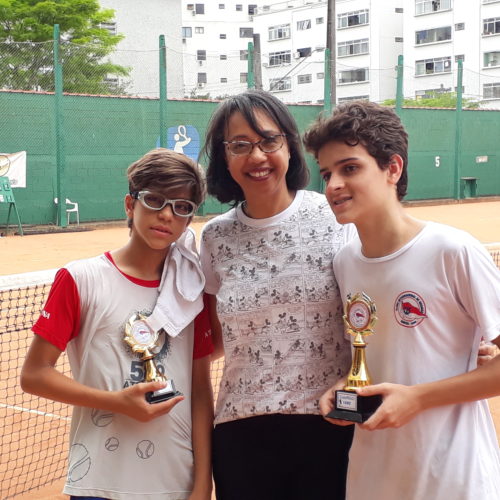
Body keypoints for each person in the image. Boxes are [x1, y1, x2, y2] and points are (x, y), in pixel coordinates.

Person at [302, 101, 500, 499]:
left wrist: (416, 399)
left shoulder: (452, 251)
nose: (333, 185)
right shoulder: (345, 262)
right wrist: (345, 387)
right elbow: (380, 356)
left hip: (452, 480)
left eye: (349, 168)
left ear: (393, 168)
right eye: (326, 174)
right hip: (373, 479)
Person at [21, 149, 214, 500]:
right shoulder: (79, 279)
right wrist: (116, 402)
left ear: (189, 220)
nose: (166, 214)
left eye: (182, 206)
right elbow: (34, 375)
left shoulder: (190, 292)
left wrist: (203, 482)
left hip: (175, 481)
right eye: (154, 200)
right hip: (98, 481)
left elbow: (201, 390)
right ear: (130, 204)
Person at [199, 89, 354, 500]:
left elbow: (371, 316)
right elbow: (214, 340)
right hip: (241, 432)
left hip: (330, 423)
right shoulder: (214, 237)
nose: (257, 156)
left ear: (289, 145)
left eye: (269, 140)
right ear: (224, 156)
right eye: (239, 145)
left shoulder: (334, 217)